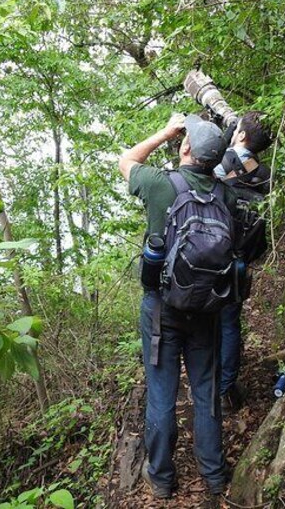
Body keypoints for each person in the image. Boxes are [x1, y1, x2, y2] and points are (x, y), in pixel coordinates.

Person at [119, 112, 238, 499]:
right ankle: (215, 475)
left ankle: (163, 479)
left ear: (185, 147)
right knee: (204, 392)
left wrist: (165, 131)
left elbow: (126, 160)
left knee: (161, 392)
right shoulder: (227, 195)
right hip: (208, 309)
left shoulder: (159, 184)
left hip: (162, 309)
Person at [213, 111, 273, 413]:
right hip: (240, 262)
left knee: (208, 322)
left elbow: (203, 171)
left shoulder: (224, 162)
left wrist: (226, 134)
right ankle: (226, 387)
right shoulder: (264, 175)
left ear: (240, 135)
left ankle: (209, 384)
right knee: (230, 323)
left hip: (211, 255)